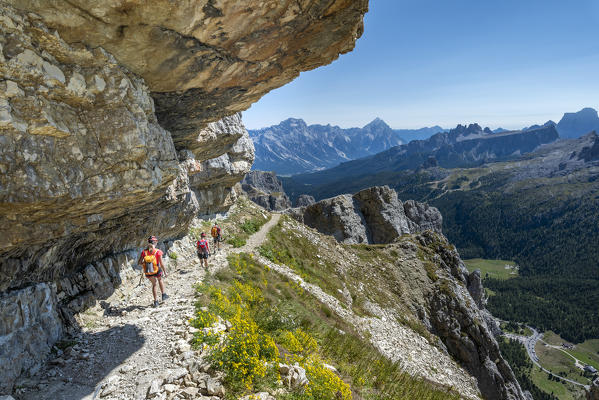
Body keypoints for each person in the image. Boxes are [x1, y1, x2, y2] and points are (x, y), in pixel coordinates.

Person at [138, 235, 169, 307]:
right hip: (157, 270)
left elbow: (139, 263)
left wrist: (146, 264)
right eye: (156, 241)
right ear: (155, 242)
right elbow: (161, 264)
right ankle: (163, 295)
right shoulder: (158, 251)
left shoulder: (144, 252)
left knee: (154, 284)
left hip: (148, 271)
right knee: (160, 280)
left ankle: (156, 302)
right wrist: (165, 272)